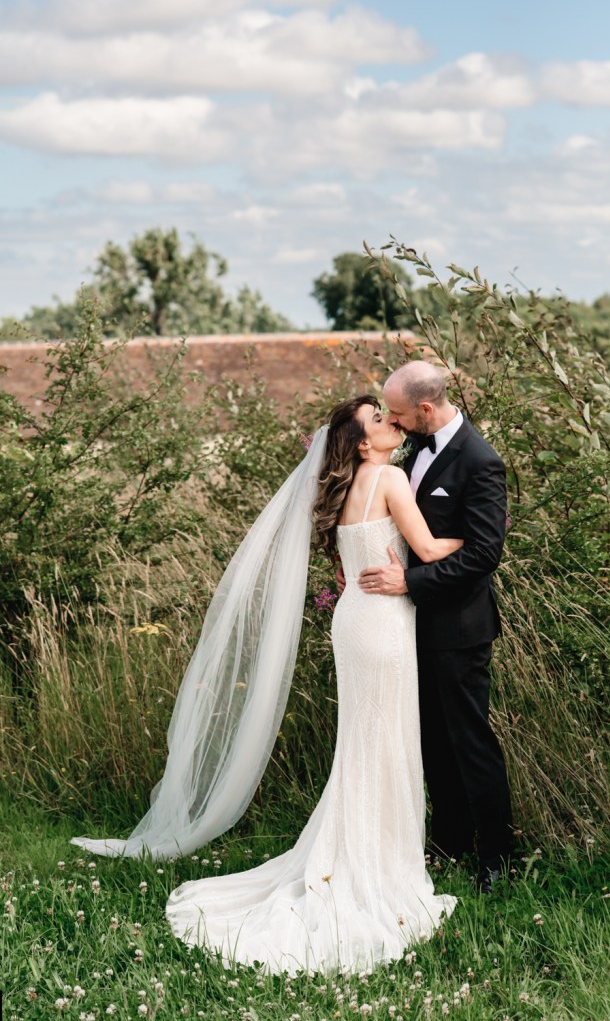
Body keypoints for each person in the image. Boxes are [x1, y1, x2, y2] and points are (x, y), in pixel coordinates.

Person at [72, 395, 462, 975]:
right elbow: (428, 551)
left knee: (363, 745)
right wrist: (484, 541)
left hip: (356, 618)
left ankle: (359, 853)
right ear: (362, 443)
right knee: (382, 745)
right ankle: (373, 865)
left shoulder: (354, 484)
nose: (390, 422)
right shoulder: (389, 479)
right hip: (382, 625)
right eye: (378, 419)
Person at [355, 361, 514, 893]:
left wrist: (411, 584)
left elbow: (485, 554)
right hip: (405, 628)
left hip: (459, 627)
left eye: (398, 413)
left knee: (469, 740)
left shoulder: (480, 461)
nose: (392, 424)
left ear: (426, 408)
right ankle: (449, 841)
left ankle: (496, 857)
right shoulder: (415, 451)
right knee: (431, 742)